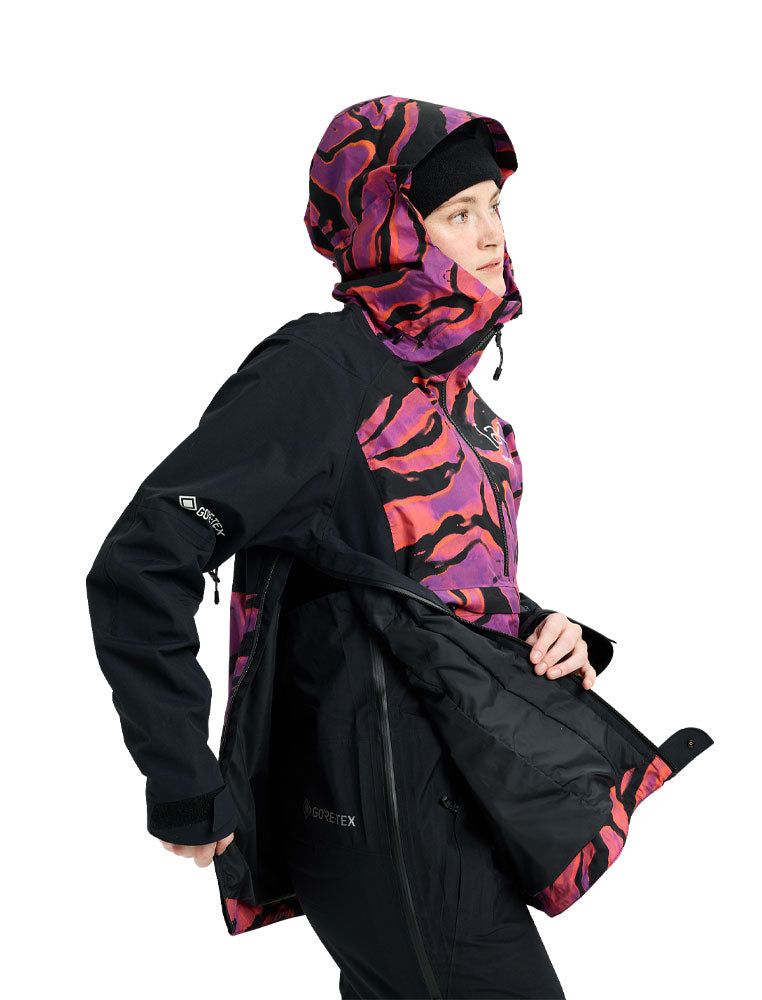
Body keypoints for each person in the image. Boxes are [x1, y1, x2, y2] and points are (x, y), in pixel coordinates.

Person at [86, 96, 643, 999]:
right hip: (380, 803)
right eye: (456, 213)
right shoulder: (324, 371)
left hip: (459, 787)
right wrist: (180, 773)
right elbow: (145, 554)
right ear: (391, 229)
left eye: (495, 206)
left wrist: (549, 628)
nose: (490, 235)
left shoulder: (455, 399)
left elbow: (403, 577)